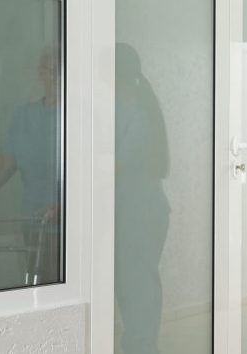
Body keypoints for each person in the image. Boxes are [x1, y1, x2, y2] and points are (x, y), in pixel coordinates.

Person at [114, 42, 170, 354]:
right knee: (128, 284)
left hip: (143, 212)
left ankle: (142, 347)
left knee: (138, 285)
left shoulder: (139, 115)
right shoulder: (119, 110)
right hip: (130, 210)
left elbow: (116, 165)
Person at [0, 46, 62, 286]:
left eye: (61, 70)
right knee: (37, 287)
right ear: (41, 73)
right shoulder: (23, 116)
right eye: (51, 70)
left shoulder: (80, 115)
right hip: (33, 222)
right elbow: (5, 166)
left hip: (70, 225)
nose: (56, 76)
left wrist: (63, 206)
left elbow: (95, 175)